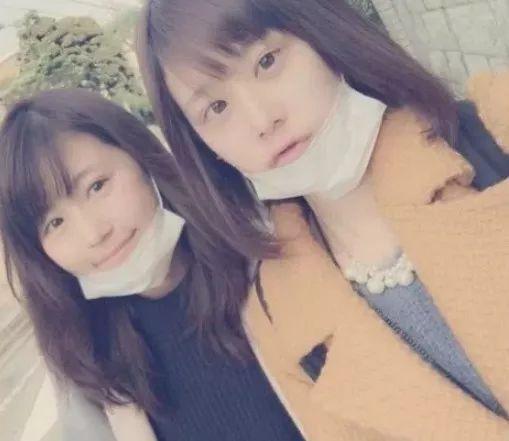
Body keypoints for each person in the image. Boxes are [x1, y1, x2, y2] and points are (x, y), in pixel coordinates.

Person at [134, 0, 509, 440]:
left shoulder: (494, 129)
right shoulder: (280, 313)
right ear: (202, 147)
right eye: (216, 108)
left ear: (319, 32)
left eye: (267, 62)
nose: (262, 119)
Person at [0, 88, 305, 441]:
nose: (93, 234)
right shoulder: (88, 364)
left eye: (96, 187)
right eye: (54, 223)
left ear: (140, 156)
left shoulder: (264, 250)